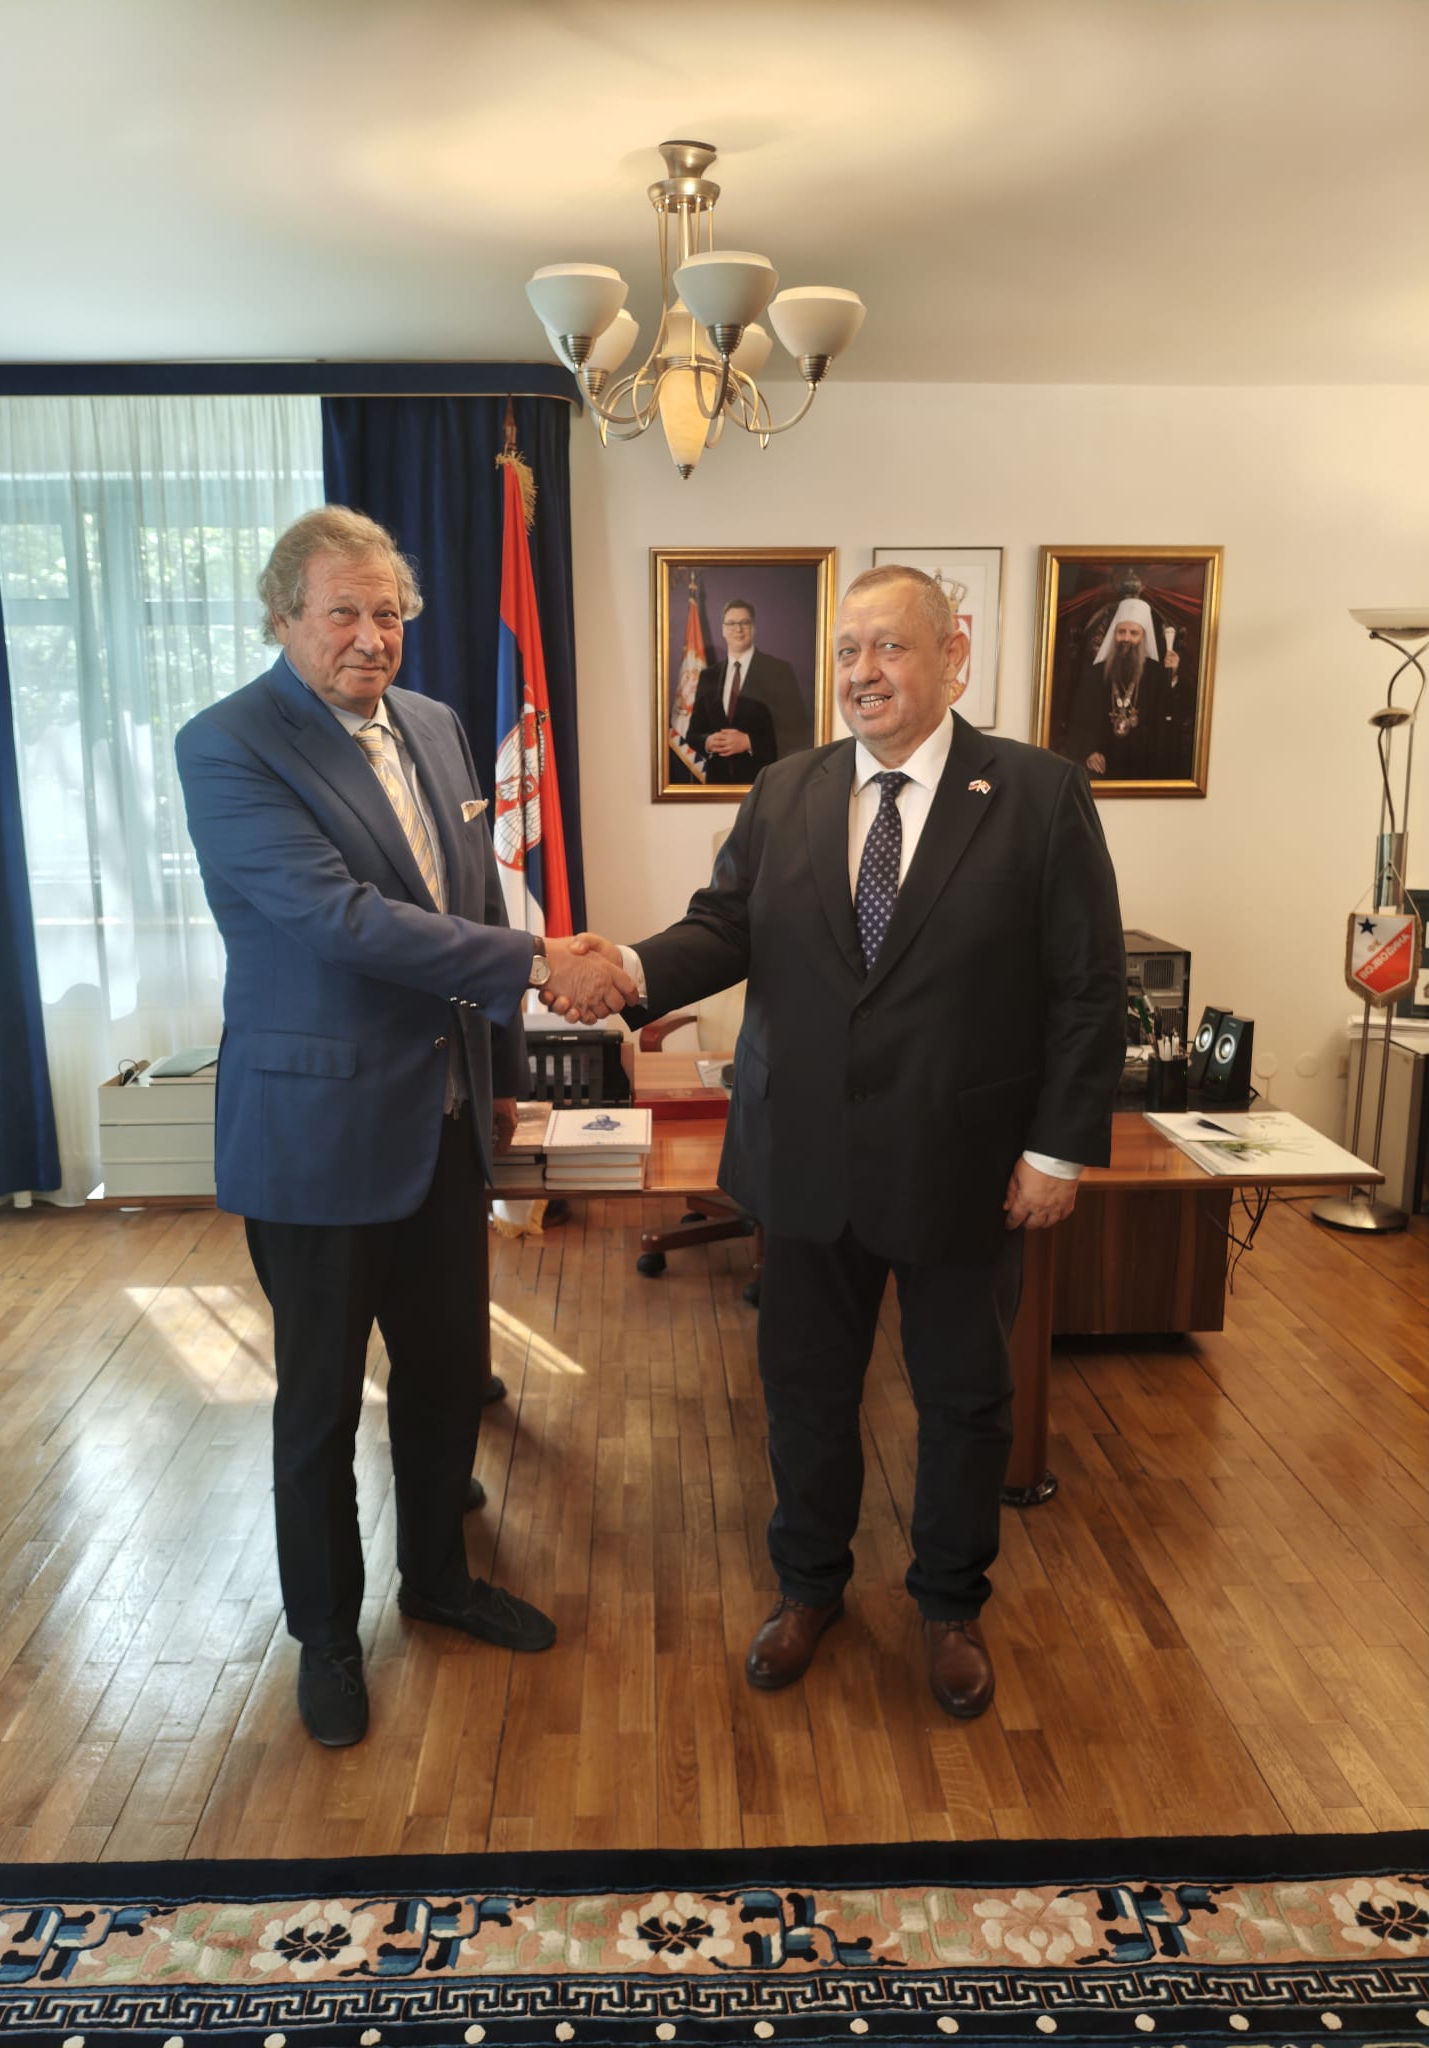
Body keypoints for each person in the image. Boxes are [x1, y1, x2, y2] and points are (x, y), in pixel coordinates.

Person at [565, 566, 1123, 1718]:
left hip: (965, 1165)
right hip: (805, 1156)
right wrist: (628, 967)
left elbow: (1087, 987)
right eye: (847, 652)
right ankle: (808, 1585)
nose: (863, 672)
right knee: (805, 1391)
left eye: (889, 647)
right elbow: (725, 925)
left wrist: (1059, 1149)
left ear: (952, 654)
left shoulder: (1037, 792)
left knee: (965, 1397)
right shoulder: (786, 788)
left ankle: (950, 1603)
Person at [175, 506, 633, 1747]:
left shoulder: (432, 724)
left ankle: (438, 1579)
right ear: (283, 618)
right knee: (322, 1407)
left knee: (443, 1378)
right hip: (317, 1136)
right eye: (344, 612)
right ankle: (327, 1635)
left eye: (388, 613)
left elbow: (469, 892)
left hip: (445, 1123)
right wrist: (542, 960)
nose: (371, 637)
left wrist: (503, 1070)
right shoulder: (227, 745)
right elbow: (341, 920)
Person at [1060, 596, 1191, 782]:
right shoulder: (1096, 673)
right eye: (1121, 632)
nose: (1126, 638)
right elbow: (1080, 720)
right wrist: (1090, 751)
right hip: (1103, 762)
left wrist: (1174, 675)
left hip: (1145, 762)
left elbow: (1169, 714)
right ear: (1114, 634)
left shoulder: (1157, 672)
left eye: (1133, 633)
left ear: (1144, 636)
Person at [685, 598, 810, 783]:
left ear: (754, 628)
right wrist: (707, 742)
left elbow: (798, 732)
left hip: (764, 783)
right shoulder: (708, 676)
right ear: (723, 630)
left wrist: (749, 742)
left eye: (745, 622)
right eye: (731, 623)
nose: (738, 629)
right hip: (717, 786)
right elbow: (693, 734)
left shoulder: (778, 671)